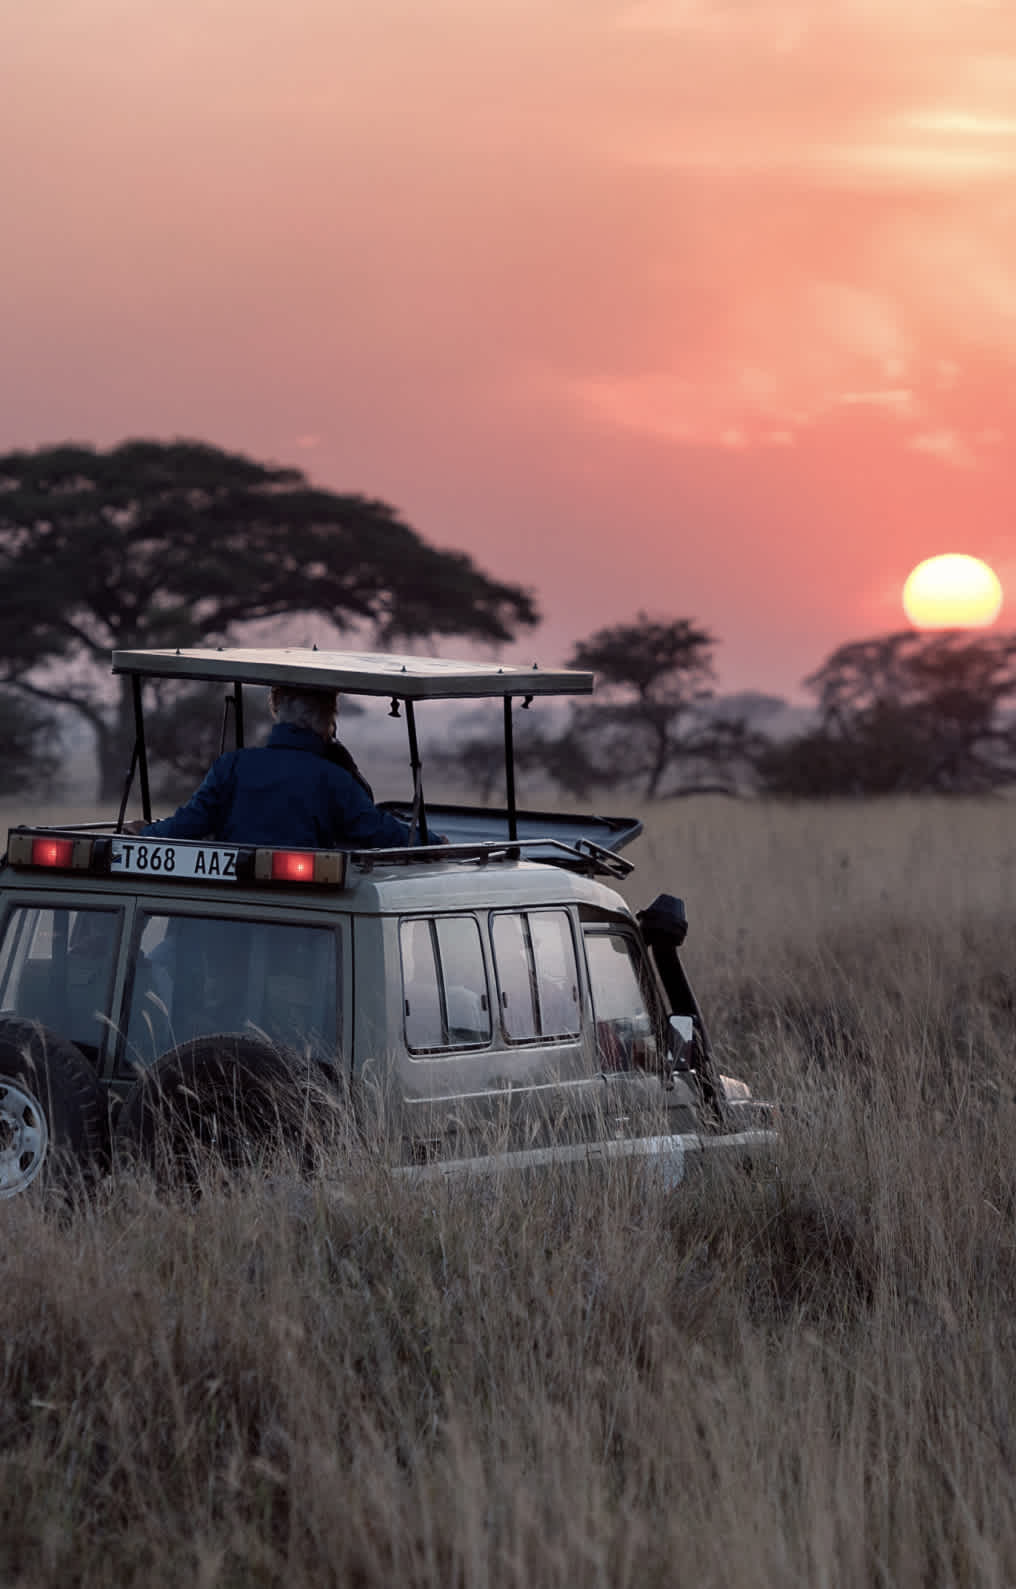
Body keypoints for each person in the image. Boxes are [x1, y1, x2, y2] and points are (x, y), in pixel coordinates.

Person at [128, 684, 422, 849]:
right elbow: (374, 829)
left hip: (231, 907)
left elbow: (190, 822)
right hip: (307, 911)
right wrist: (428, 841)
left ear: (276, 708)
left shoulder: (231, 766)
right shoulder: (334, 779)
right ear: (329, 716)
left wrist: (146, 835)